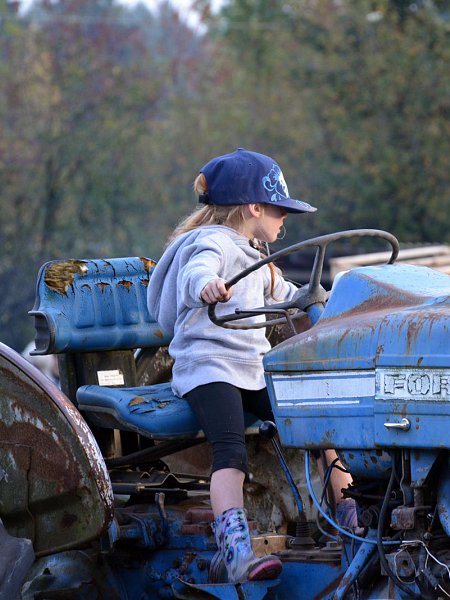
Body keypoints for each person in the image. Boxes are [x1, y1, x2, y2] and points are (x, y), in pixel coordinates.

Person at [147, 148, 317, 583]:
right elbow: (197, 272)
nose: (285, 220)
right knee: (231, 452)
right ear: (254, 207)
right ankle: (236, 551)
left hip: (249, 365)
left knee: (316, 424)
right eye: (281, 210)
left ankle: (353, 517)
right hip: (208, 365)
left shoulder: (256, 254)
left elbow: (288, 292)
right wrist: (207, 285)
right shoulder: (213, 244)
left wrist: (324, 299)